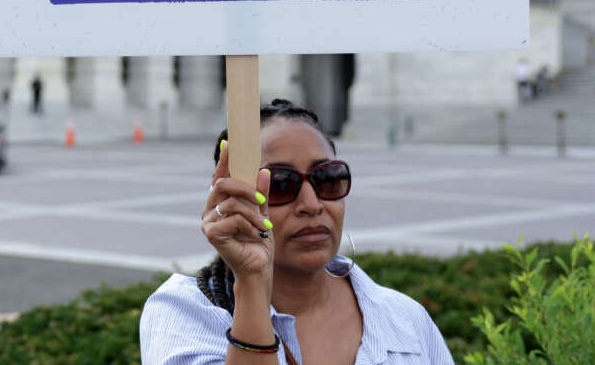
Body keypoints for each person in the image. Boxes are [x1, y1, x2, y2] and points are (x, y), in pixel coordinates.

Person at [139, 99, 453, 364]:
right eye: (281, 184)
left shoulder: (405, 317)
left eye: (328, 178)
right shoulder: (183, 313)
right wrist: (251, 281)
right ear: (231, 197)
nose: (311, 204)